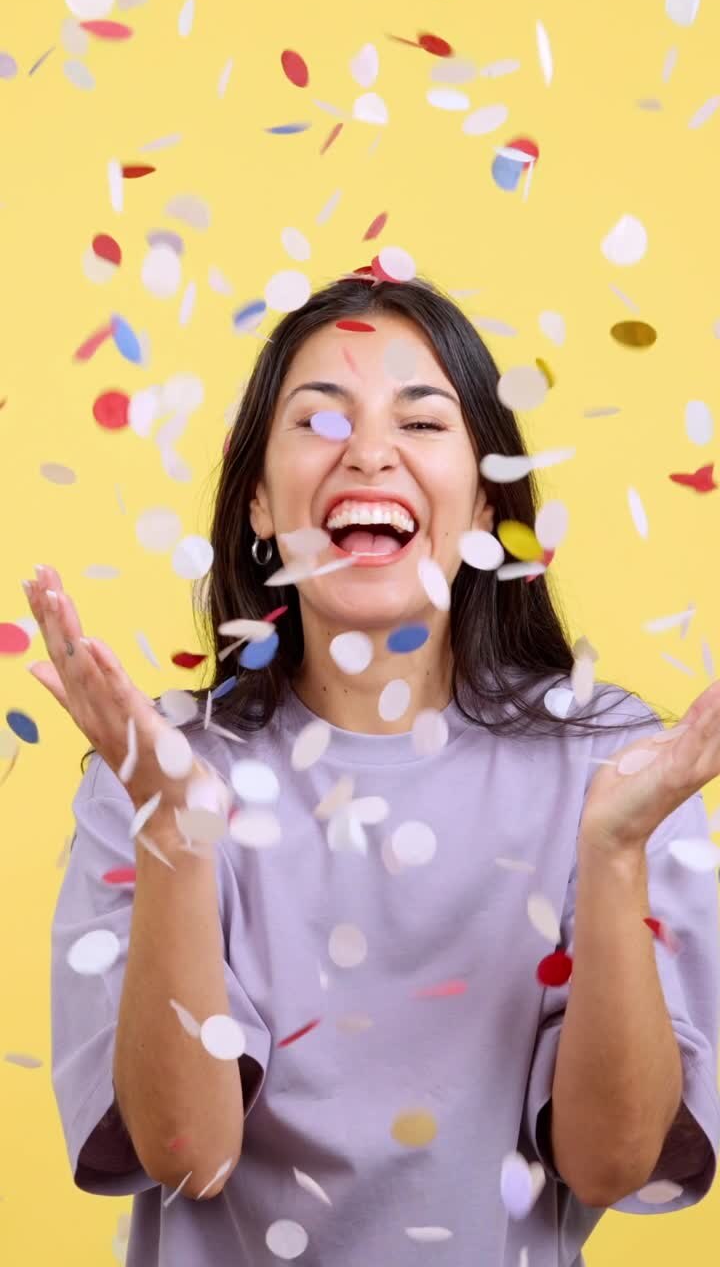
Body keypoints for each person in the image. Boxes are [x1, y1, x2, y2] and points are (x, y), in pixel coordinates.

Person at [32, 273, 720, 1266]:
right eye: (319, 417)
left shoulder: (616, 770)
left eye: (422, 419)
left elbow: (610, 1162)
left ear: (485, 497)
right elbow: (188, 1154)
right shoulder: (155, 771)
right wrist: (175, 829)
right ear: (260, 501)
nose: (368, 449)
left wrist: (614, 854)